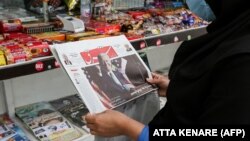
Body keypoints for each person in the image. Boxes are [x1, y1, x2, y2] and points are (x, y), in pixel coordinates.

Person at [84, 0, 250, 140]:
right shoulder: (234, 35)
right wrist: (178, 90)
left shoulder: (242, 61)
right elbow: (220, 98)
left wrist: (129, 127)